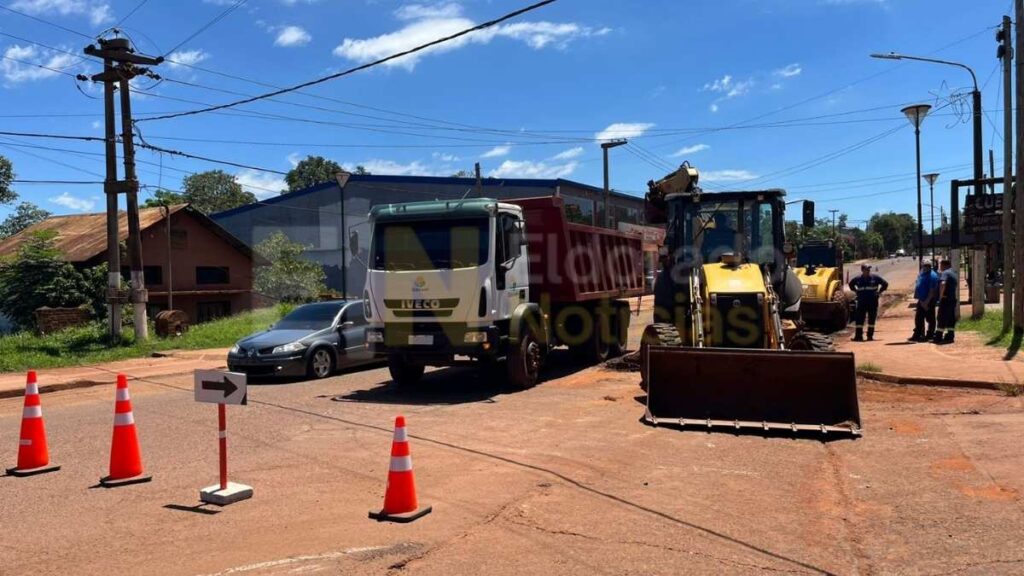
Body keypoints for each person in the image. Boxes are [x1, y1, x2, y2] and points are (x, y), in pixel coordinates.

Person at [849, 264, 888, 341]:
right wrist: (856, 291)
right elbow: (851, 284)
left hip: (872, 302)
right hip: (861, 302)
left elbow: (885, 284)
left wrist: (879, 292)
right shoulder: (857, 279)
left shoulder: (875, 278)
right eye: (866, 269)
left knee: (871, 320)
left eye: (869, 269)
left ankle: (870, 336)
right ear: (862, 270)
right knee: (859, 319)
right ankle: (858, 336)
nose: (868, 271)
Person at [909, 262, 939, 342]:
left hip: (928, 301)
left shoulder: (932, 276)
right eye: (923, 266)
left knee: (930, 319)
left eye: (926, 266)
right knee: (919, 319)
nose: (924, 267)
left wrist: (926, 302)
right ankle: (918, 335)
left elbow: (932, 291)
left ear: (929, 267)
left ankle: (930, 335)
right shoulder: (923, 273)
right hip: (922, 300)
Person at [933, 259, 959, 344]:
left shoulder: (945, 273)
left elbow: (943, 283)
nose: (940, 267)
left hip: (945, 299)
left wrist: (940, 297)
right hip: (952, 299)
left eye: (941, 265)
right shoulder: (953, 273)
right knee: (951, 318)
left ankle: (938, 336)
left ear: (944, 265)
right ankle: (950, 336)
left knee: (941, 318)